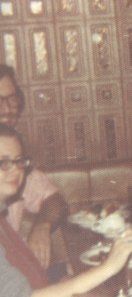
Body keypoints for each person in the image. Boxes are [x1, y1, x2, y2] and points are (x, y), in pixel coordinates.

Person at [0, 123, 132, 297]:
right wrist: (108, 266)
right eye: (3, 163)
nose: (16, 170)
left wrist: (69, 280)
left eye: (19, 161)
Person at [0, 64, 68, 272]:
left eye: (11, 99)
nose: (7, 109)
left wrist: (42, 226)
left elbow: (54, 200)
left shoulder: (14, 164)